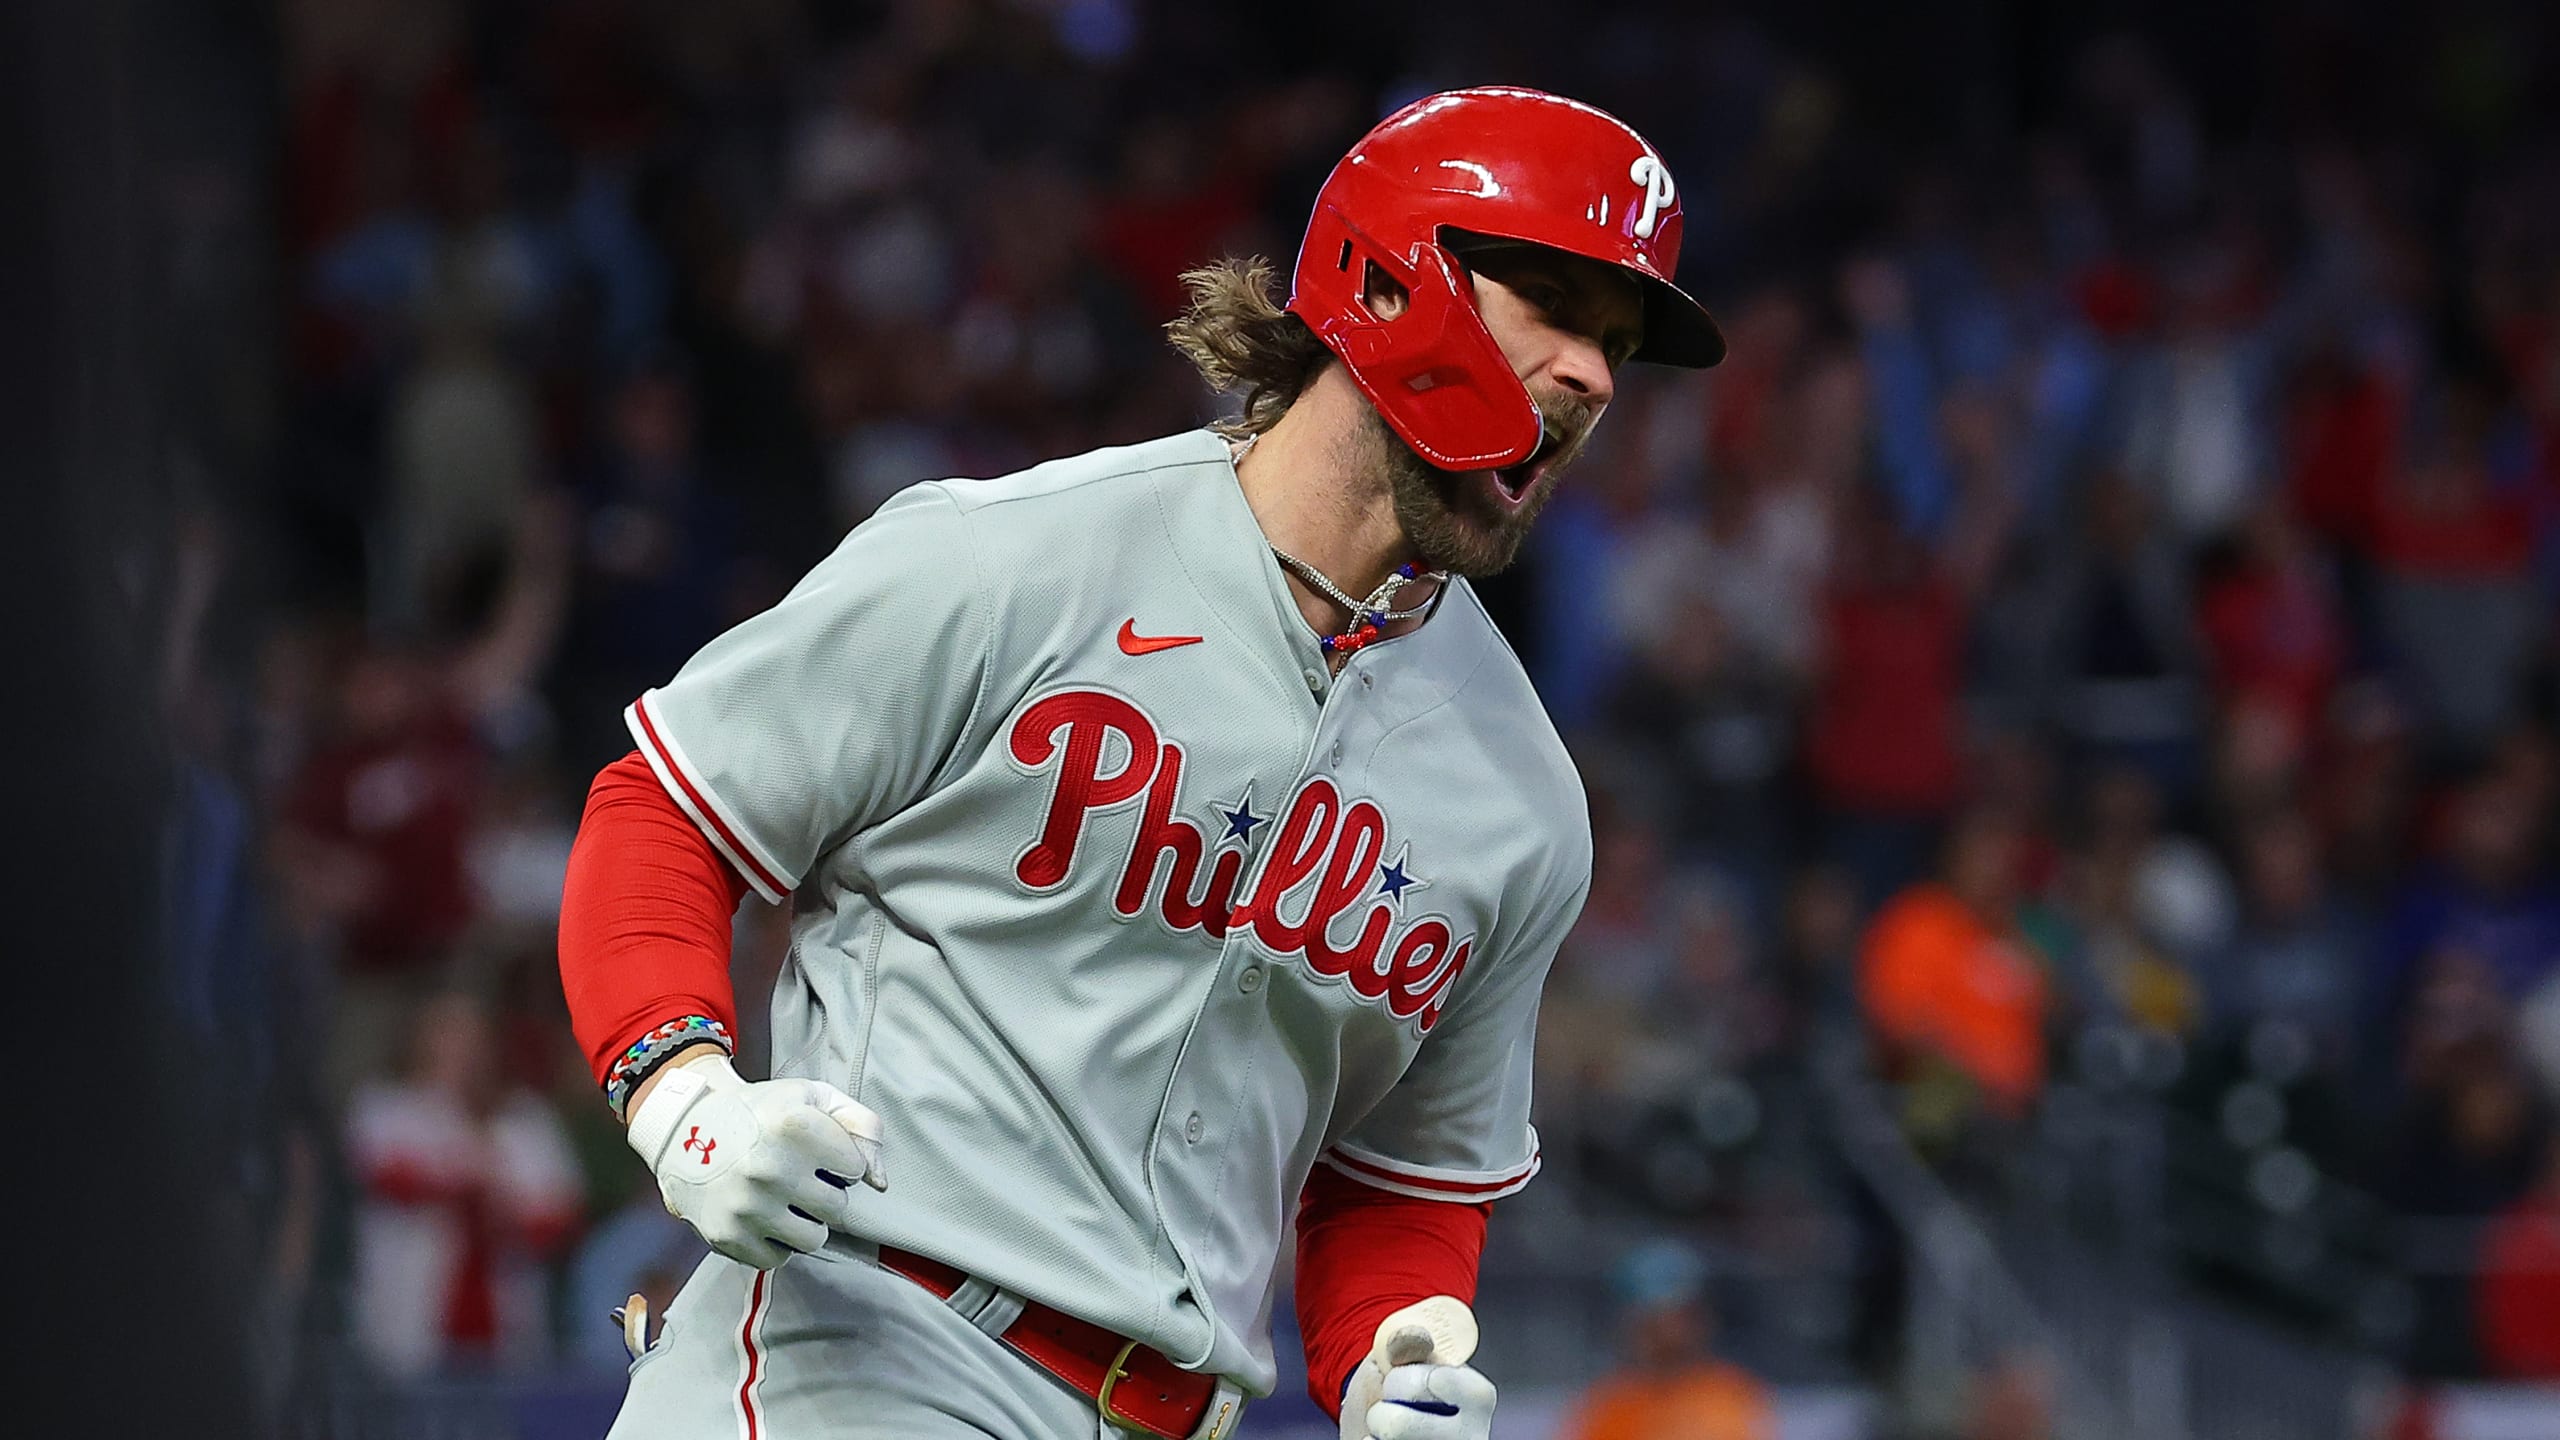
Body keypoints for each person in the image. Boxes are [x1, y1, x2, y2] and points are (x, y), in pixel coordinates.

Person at [556, 87, 1725, 1440]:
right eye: (1555, 305)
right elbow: (673, 803)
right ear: (1396, 279)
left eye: (1618, 345)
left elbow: (1405, 1176)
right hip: (867, 1356)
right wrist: (683, 1094)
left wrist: (1394, 1352)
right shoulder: (1016, 560)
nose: (1591, 375)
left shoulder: (1522, 796)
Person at [1558, 1240, 1774, 1440]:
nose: (1654, 1331)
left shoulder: (1730, 1398)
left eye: (1660, 1317)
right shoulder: (1607, 1405)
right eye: (1643, 1319)